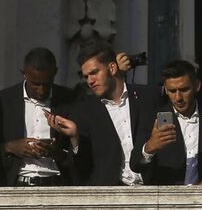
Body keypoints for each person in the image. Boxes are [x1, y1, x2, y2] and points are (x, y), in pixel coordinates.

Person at [48, 41, 155, 185]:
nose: (90, 81)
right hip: (109, 196)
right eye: (86, 77)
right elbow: (82, 168)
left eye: (94, 73)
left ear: (112, 68)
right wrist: (74, 138)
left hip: (154, 191)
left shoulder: (147, 96)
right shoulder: (85, 110)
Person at [130, 60, 202, 185]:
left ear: (197, 86)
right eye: (172, 91)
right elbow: (135, 165)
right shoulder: (152, 119)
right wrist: (149, 148)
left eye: (184, 90)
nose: (178, 98)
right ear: (166, 90)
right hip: (165, 200)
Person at [0, 47, 78, 186]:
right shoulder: (2, 101)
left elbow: (81, 153)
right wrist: (10, 147)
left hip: (58, 183)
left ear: (55, 73)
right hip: (16, 184)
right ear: (24, 74)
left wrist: (58, 153)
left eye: (47, 83)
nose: (41, 90)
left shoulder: (71, 100)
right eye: (35, 84)